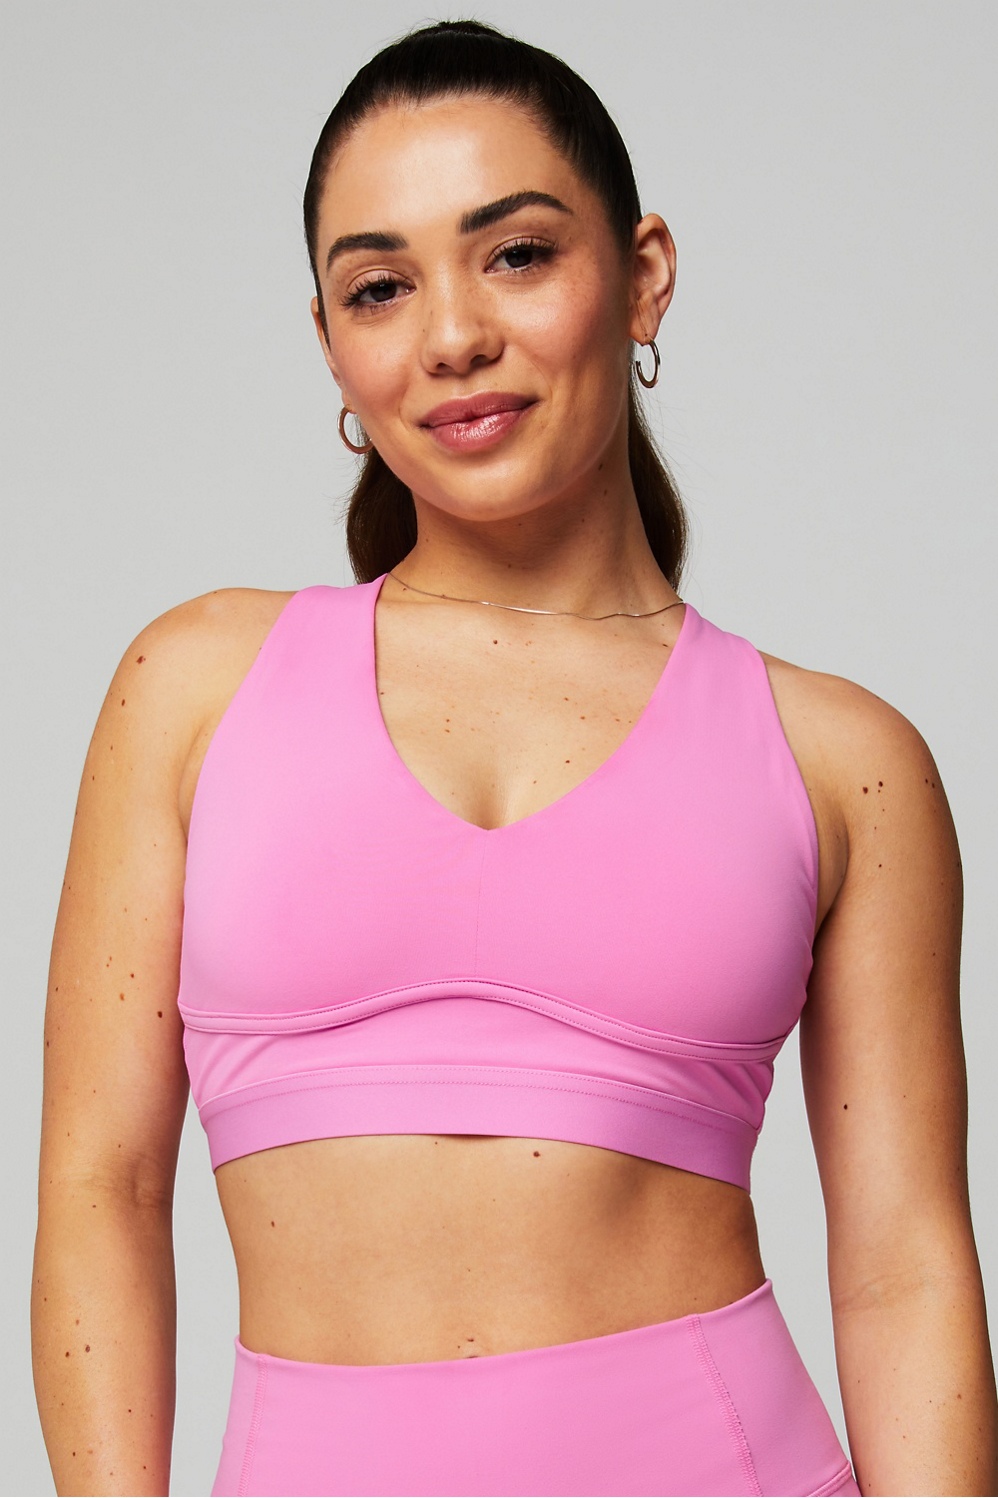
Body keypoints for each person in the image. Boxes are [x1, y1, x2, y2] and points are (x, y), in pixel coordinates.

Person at [30, 17, 997, 1497]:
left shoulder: (841, 759)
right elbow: (100, 1189)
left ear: (644, 273)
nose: (451, 337)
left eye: (518, 254)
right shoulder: (194, 686)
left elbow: (903, 1264)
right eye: (381, 286)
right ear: (332, 344)